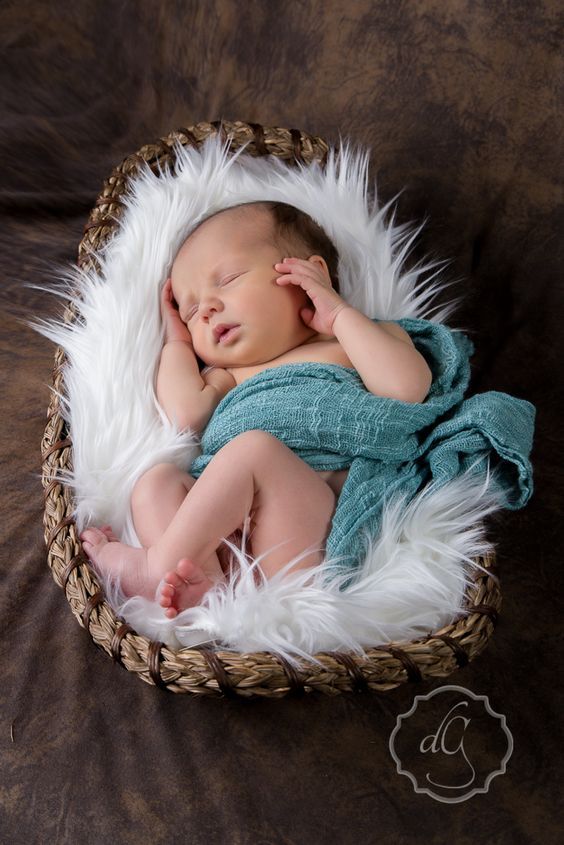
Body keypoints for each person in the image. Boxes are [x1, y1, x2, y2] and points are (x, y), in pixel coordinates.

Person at [80, 201, 432, 618]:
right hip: (232, 544)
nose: (206, 309)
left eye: (227, 280)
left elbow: (406, 389)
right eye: (192, 311)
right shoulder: (231, 374)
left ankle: (156, 566)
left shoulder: (355, 341)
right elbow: (184, 415)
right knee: (157, 482)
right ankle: (205, 587)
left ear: (307, 274)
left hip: (313, 532)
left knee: (254, 452)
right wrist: (175, 340)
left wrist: (340, 314)